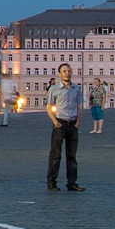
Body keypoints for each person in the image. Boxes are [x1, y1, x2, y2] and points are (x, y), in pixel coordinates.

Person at [46, 63, 85, 191]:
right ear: (60, 74)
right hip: (60, 123)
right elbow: (48, 107)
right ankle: (52, 182)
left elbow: (79, 106)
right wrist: (55, 122)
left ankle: (72, 183)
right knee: (56, 154)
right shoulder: (54, 89)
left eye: (69, 71)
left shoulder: (76, 88)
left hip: (73, 123)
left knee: (72, 155)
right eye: (64, 71)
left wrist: (78, 122)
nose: (67, 73)